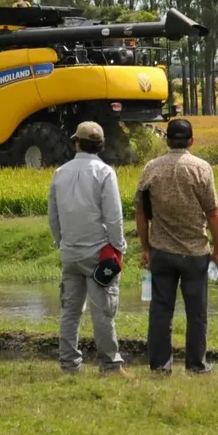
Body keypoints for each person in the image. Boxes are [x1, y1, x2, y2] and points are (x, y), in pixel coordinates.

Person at [134, 118, 218, 375]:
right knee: (197, 313)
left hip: (161, 251)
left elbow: (141, 213)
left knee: (161, 311)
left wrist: (146, 248)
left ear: (166, 139)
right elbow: (213, 213)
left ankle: (160, 365)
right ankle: (196, 365)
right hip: (196, 253)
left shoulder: (152, 168)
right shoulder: (201, 169)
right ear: (191, 141)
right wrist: (217, 251)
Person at [48, 121, 127, 374]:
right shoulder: (105, 173)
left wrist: (61, 242)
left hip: (70, 252)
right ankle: (110, 365)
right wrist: (119, 247)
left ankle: (69, 364)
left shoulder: (60, 172)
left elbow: (54, 216)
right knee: (102, 312)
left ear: (77, 143)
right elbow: (113, 217)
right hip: (98, 253)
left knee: (70, 312)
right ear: (100, 145)